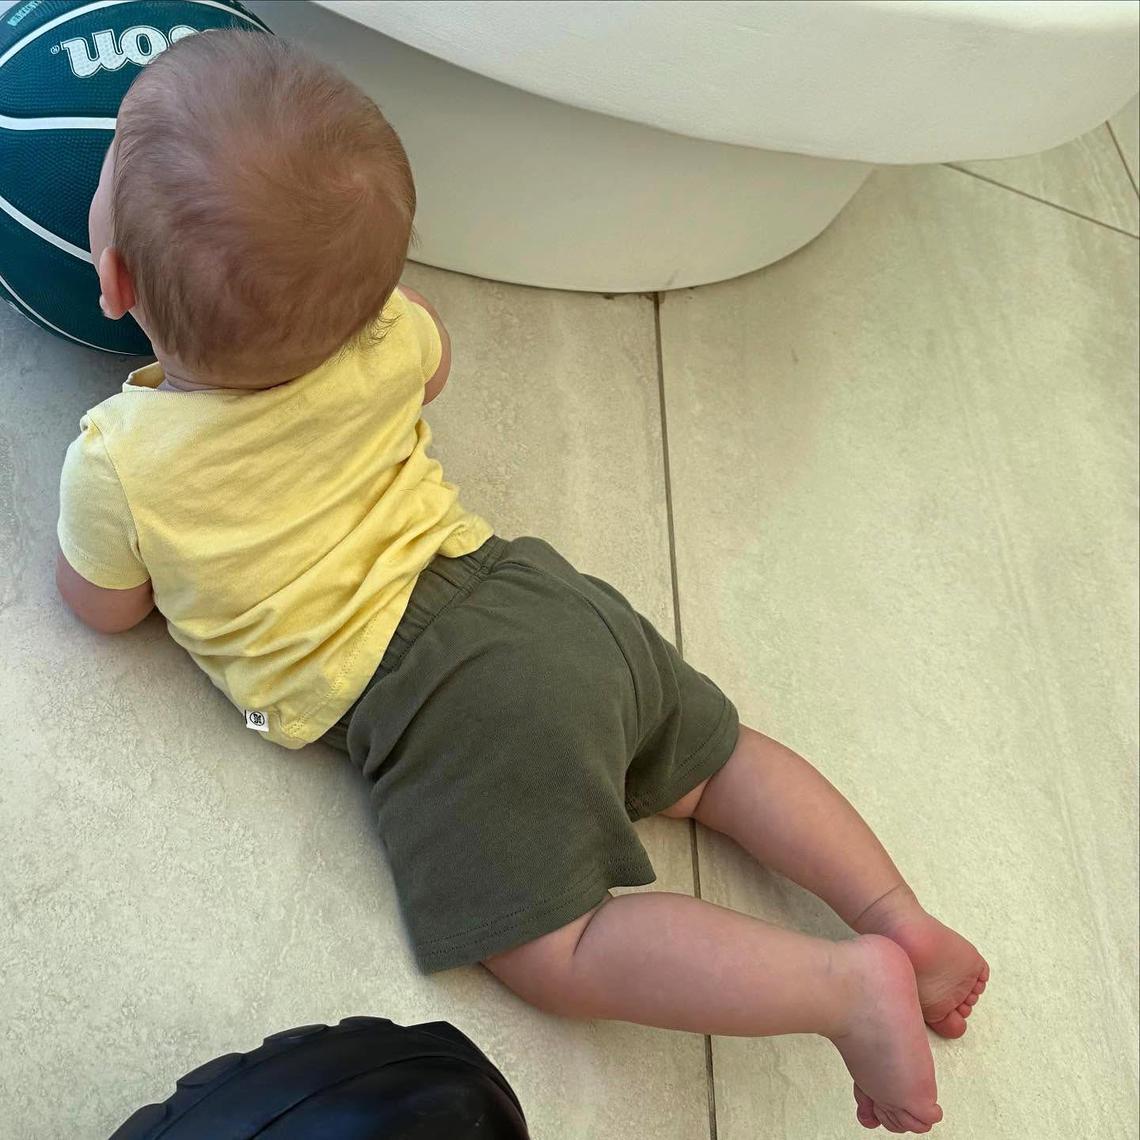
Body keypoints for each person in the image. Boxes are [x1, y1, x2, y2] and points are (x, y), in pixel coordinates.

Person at [55, 31, 986, 1134]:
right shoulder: (395, 331)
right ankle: (900, 918)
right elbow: (435, 368)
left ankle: (842, 987)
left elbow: (103, 608)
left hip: (441, 706)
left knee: (560, 947)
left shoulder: (122, 462)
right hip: (529, 592)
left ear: (113, 280)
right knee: (722, 763)